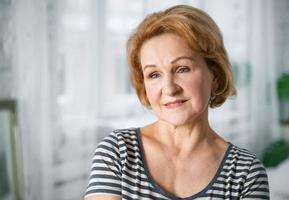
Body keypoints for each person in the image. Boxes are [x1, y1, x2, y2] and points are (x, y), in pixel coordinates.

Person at [85, 4, 269, 200]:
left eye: (182, 69)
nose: (170, 88)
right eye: (154, 74)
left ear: (214, 76)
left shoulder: (246, 172)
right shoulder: (117, 152)